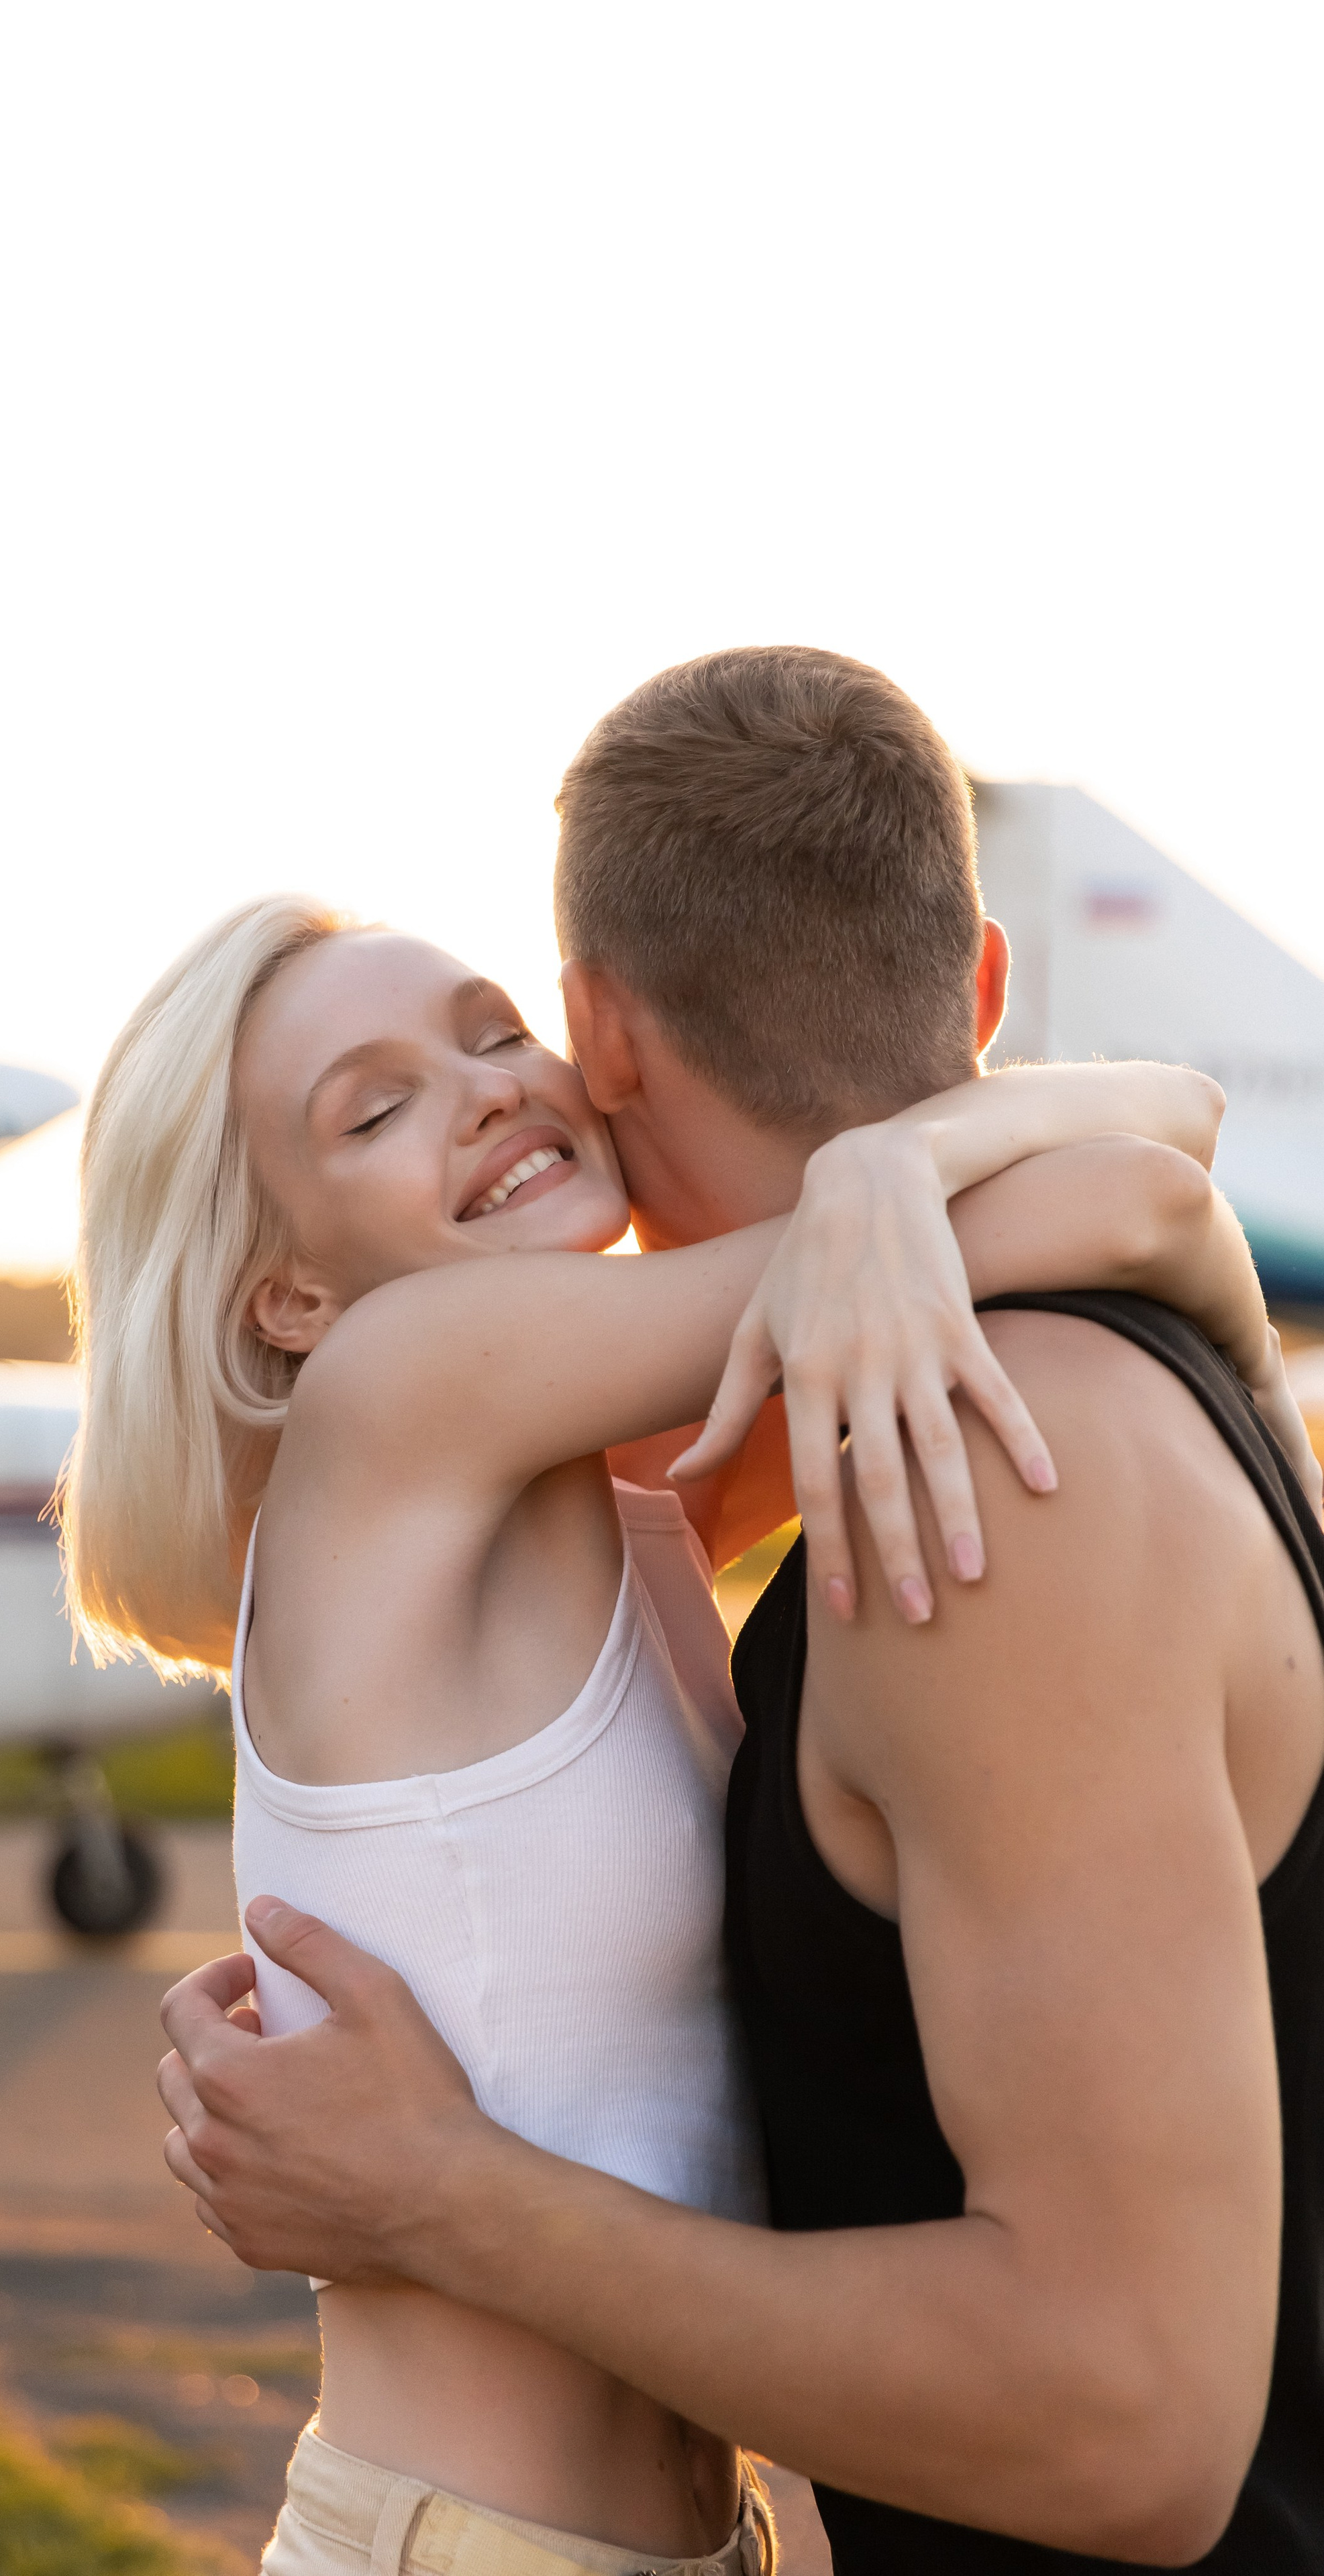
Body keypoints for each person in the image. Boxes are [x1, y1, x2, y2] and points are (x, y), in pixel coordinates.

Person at [154, 651, 1324, 2573]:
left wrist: (436, 2189)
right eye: (371, 1112)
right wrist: (989, 1180)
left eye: (489, 1032)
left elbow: (1129, 2416)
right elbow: (1129, 1188)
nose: (480, 1095)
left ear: (593, 1040)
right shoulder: (424, 1401)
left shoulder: (812, 1482)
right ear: (991, 982)